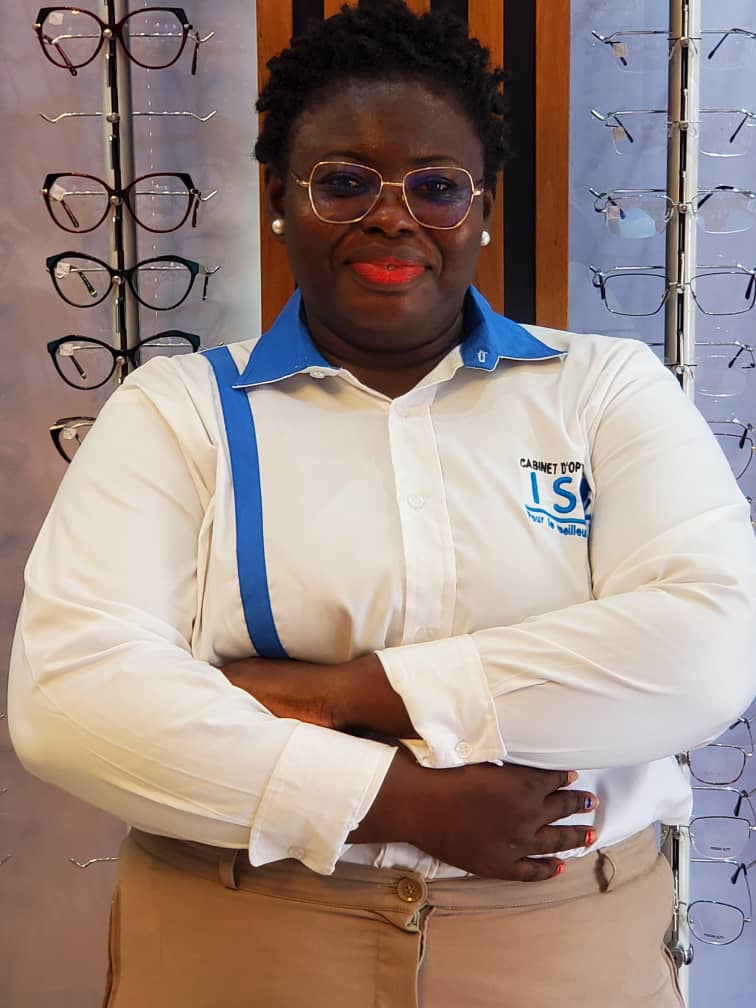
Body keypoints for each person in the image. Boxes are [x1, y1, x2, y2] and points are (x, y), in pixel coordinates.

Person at [8, 3, 756, 1006]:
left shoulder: (605, 390)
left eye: (437, 186)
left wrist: (343, 694)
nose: (393, 217)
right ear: (280, 200)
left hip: (559, 942)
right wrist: (395, 800)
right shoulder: (178, 411)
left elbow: (706, 650)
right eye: (344, 181)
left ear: (483, 207)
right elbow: (72, 701)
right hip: (243, 935)